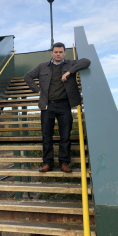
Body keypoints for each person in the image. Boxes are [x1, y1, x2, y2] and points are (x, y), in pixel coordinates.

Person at [23, 42, 90, 173]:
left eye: (60, 52)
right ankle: (48, 163)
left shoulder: (70, 64)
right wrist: (37, 90)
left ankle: (64, 163)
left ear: (64, 53)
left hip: (64, 105)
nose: (58, 54)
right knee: (46, 136)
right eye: (56, 52)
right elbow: (27, 76)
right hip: (47, 106)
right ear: (52, 53)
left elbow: (86, 61)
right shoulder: (42, 67)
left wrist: (70, 72)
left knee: (65, 135)